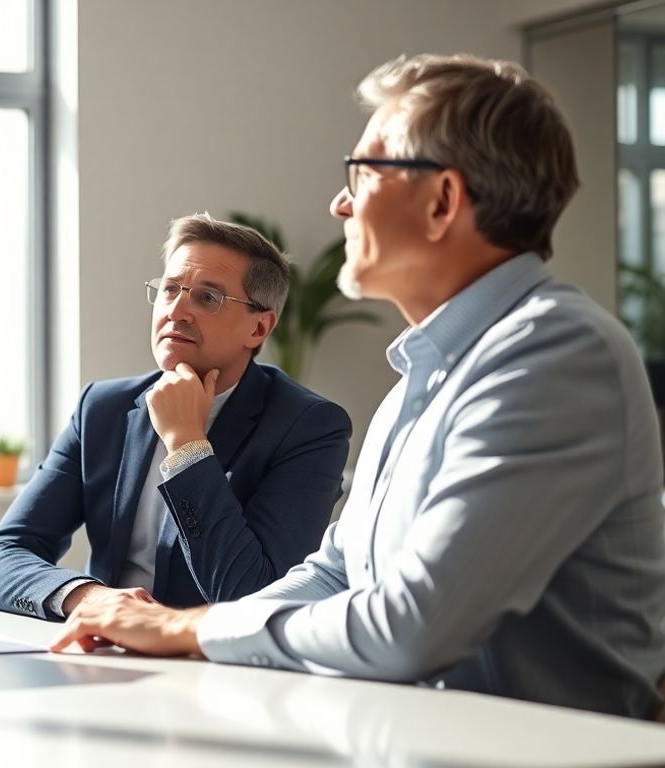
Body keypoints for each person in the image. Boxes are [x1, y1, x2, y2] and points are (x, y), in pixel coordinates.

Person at [50, 54, 665, 720]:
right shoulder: (418, 381)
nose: (340, 203)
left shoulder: (555, 353)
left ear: (442, 202)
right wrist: (174, 633)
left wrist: (185, 629)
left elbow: (412, 626)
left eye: (363, 173)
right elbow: (336, 572)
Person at [0, 214, 352, 620]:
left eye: (208, 298)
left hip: (210, 652)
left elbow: (253, 596)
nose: (176, 310)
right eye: (170, 289)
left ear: (259, 328)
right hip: (103, 642)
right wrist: (89, 598)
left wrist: (187, 446)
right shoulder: (102, 408)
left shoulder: (309, 427)